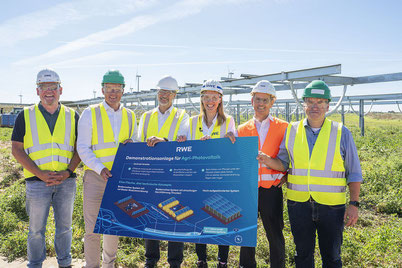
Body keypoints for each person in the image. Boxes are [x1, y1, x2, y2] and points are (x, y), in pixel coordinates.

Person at [258, 80, 362, 267]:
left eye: (320, 102)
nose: (315, 106)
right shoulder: (292, 130)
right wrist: (267, 160)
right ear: (304, 104)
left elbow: (354, 172)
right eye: (311, 102)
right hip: (299, 205)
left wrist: (354, 204)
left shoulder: (341, 132)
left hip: (332, 207)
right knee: (302, 256)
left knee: (332, 257)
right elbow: (283, 163)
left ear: (328, 105)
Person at [11, 69, 81, 268]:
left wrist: (67, 172)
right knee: (35, 230)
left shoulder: (72, 116)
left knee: (65, 228)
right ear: (37, 90)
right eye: (44, 88)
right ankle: (35, 264)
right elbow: (16, 149)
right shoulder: (25, 115)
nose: (48, 91)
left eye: (53, 87)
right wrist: (39, 174)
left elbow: (80, 148)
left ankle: (64, 263)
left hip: (66, 182)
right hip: (36, 183)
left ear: (61, 90)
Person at [77, 70, 137, 268]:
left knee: (113, 226)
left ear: (123, 91)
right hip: (95, 177)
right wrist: (100, 168)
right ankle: (92, 265)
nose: (113, 93)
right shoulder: (90, 113)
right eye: (109, 89)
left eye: (117, 89)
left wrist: (132, 144)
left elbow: (134, 143)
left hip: (119, 179)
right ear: (102, 90)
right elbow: (82, 147)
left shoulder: (130, 115)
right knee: (92, 227)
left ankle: (109, 264)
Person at [137, 75, 189, 268]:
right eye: (161, 92)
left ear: (174, 95)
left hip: (173, 175)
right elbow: (138, 142)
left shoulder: (182, 116)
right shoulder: (146, 116)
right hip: (151, 175)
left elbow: (184, 139)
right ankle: (151, 259)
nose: (164, 95)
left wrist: (164, 141)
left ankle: (174, 261)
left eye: (168, 92)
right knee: (150, 216)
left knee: (175, 217)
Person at [236, 80, 288, 268]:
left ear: (272, 102)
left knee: (275, 234)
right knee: (247, 234)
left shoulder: (283, 127)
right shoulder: (241, 130)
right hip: (248, 190)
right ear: (252, 101)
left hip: (271, 190)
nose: (261, 104)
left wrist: (287, 175)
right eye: (258, 99)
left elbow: (290, 156)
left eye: (265, 100)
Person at [187, 80, 236, 268]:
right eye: (206, 97)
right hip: (198, 179)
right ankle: (201, 259)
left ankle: (222, 260)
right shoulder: (191, 122)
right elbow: (183, 147)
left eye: (214, 98)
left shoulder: (228, 121)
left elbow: (233, 151)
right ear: (201, 99)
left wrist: (229, 141)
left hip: (221, 179)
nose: (210, 101)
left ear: (220, 100)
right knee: (200, 220)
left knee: (222, 219)